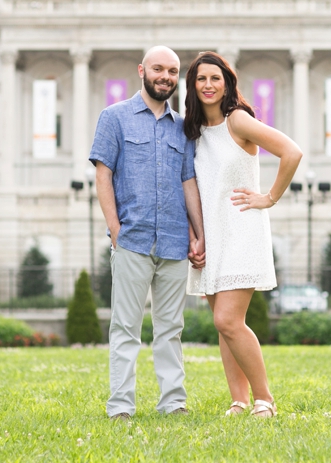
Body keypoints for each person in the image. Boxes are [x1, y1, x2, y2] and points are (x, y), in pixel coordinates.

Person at [89, 46, 206, 421]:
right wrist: (115, 228)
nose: (166, 77)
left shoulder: (182, 127)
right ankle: (121, 406)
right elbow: (103, 174)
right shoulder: (114, 118)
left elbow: (188, 181)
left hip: (173, 242)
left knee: (170, 329)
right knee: (125, 328)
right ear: (142, 70)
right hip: (133, 240)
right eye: (159, 69)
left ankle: (173, 403)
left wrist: (197, 234)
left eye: (172, 71)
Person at [184, 51, 302, 419]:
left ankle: (265, 399)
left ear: (227, 83)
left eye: (215, 78)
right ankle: (239, 400)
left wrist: (268, 197)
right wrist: (195, 236)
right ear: (193, 86)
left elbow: (291, 152)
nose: (208, 85)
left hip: (242, 229)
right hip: (212, 235)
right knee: (224, 323)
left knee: (227, 320)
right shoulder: (193, 132)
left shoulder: (238, 121)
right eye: (201, 79)